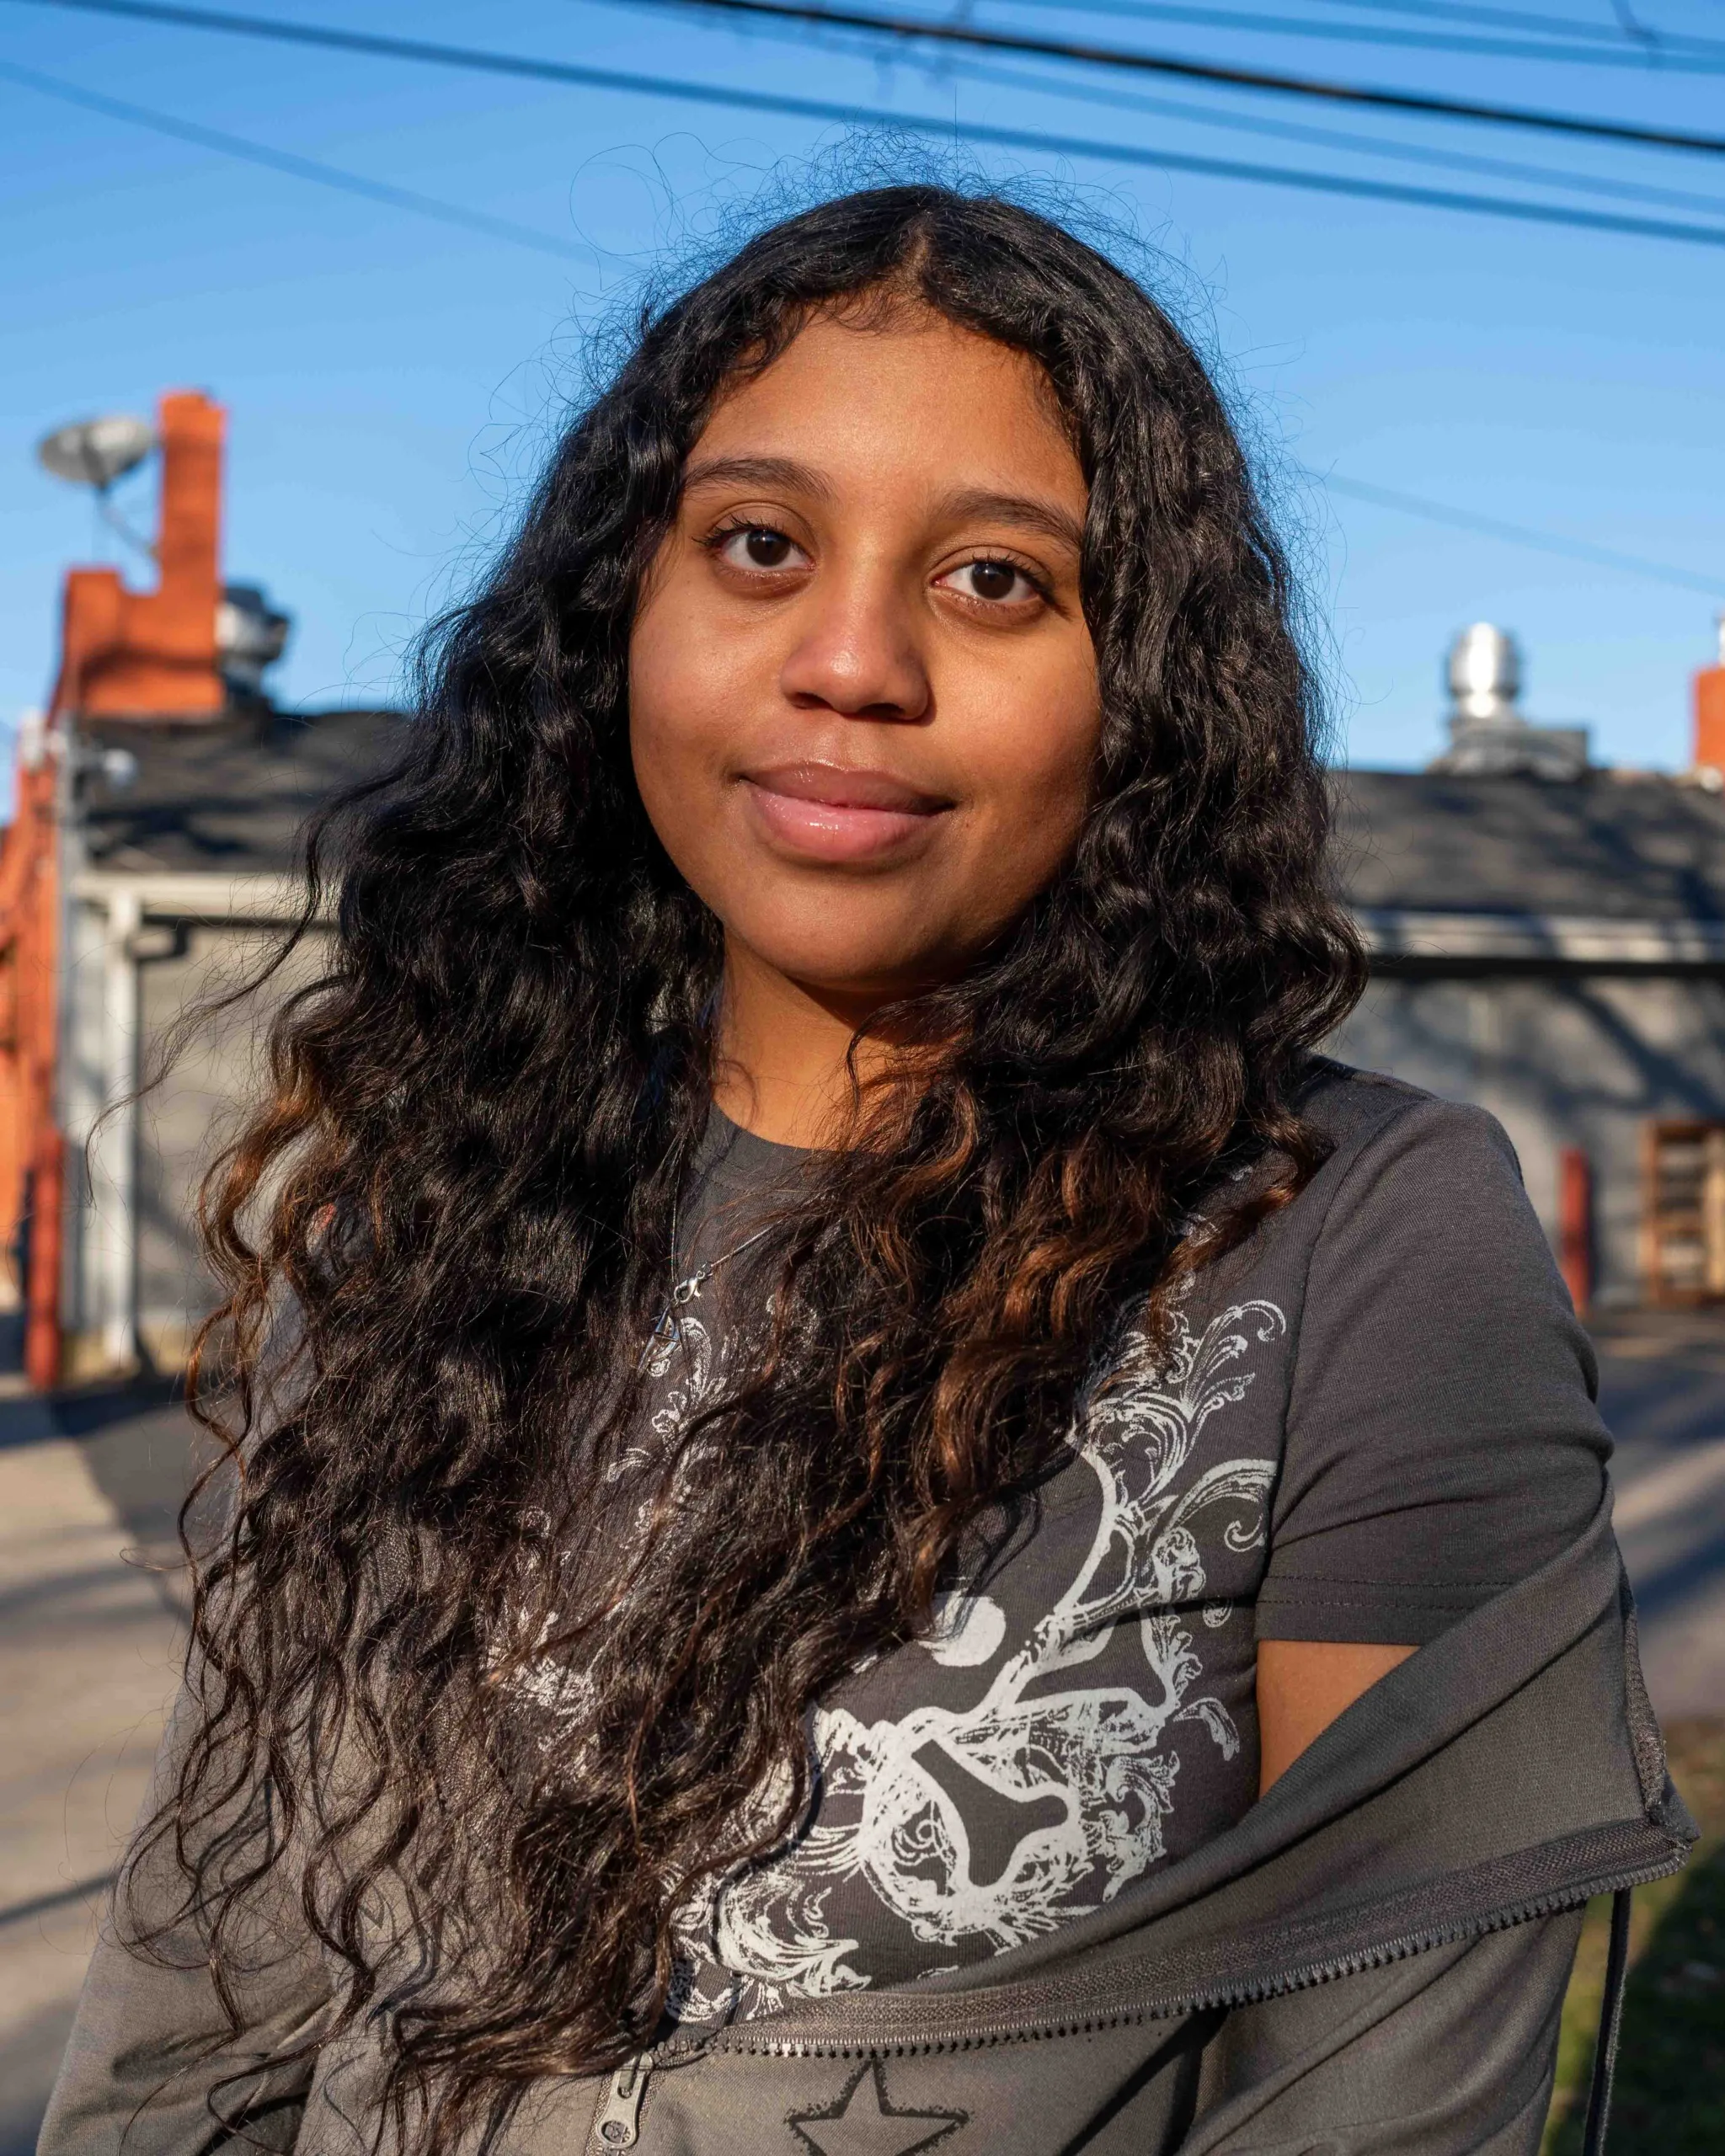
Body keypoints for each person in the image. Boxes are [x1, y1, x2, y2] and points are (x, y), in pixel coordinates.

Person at [42, 184, 1689, 2156]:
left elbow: (1382, 2099)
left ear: (1140, 695)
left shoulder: (1354, 1237)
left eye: (996, 580)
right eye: (756, 544)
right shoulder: (449, 1202)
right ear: (617, 624)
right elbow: (208, 1990)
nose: (850, 659)